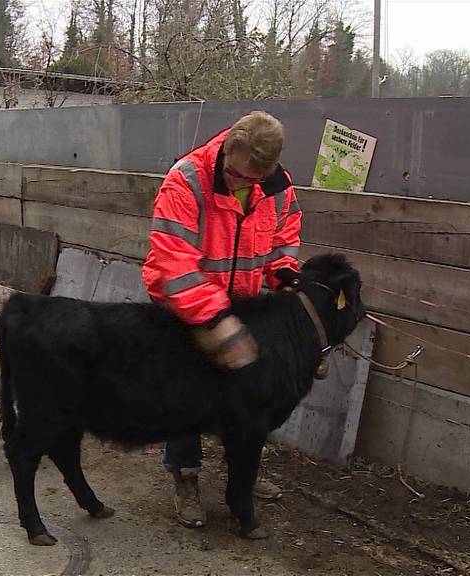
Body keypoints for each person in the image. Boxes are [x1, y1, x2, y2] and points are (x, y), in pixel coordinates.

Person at [141, 110, 303, 531]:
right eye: (233, 174)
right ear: (227, 148)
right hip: (182, 304)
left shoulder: (277, 187)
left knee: (243, 396)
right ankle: (185, 475)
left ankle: (244, 470)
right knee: (185, 396)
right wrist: (214, 317)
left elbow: (284, 238)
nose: (238, 184)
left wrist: (284, 273)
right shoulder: (186, 179)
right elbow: (172, 259)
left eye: (248, 180)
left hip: (239, 305)